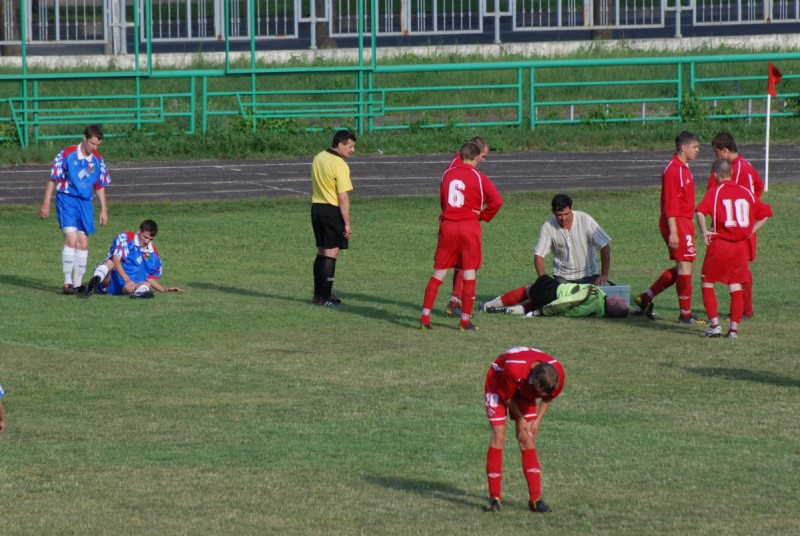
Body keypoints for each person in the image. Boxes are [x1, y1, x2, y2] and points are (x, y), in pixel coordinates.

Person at [418, 141, 503, 331]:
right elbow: (497, 201)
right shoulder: (479, 176)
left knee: (439, 272)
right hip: (468, 226)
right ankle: (464, 321)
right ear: (476, 157)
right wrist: (483, 215)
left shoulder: (447, 173)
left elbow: (443, 199)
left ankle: (425, 318)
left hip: (448, 225)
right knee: (469, 271)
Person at [695, 159, 772, 339]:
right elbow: (766, 213)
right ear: (731, 172)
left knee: (707, 282)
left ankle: (715, 326)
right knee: (735, 285)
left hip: (720, 244)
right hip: (740, 246)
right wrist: (750, 231)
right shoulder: (746, 192)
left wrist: (704, 231)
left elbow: (699, 211)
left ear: (715, 175)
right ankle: (733, 330)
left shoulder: (715, 192)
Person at [483, 346, 565, 514]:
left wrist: (537, 420)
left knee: (527, 437)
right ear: (533, 380)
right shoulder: (514, 368)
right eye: (539, 392)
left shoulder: (557, 374)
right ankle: (494, 498)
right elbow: (506, 395)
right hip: (498, 382)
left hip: (523, 388)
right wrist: (520, 418)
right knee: (499, 436)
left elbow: (549, 396)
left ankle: (535, 499)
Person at [636, 131, 706, 324]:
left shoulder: (684, 168)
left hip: (684, 222)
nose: (698, 150)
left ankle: (645, 298)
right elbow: (669, 205)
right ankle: (685, 314)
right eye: (695, 147)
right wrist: (674, 232)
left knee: (682, 266)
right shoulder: (673, 170)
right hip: (677, 223)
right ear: (683, 147)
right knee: (685, 266)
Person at [39, 124, 111, 295]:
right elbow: (53, 179)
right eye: (92, 143)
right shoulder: (67, 154)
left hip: (85, 203)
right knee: (71, 241)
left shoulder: (97, 159)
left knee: (83, 244)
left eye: (98, 145)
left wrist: (104, 209)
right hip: (67, 200)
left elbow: (99, 185)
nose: (94, 147)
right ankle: (67, 282)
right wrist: (46, 203)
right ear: (84, 138)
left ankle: (78, 284)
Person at [705, 132, 765, 319]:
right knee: (739, 267)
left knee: (740, 269)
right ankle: (743, 309)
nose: (716, 157)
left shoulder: (736, 169)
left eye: (716, 153)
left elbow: (720, 193)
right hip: (743, 223)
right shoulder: (745, 164)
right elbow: (759, 185)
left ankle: (745, 310)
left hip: (737, 227)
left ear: (724, 150)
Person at [444, 137, 490, 318]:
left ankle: (456, 301)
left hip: (456, 222)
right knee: (466, 263)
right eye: (483, 156)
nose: (483, 160)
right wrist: (481, 214)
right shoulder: (459, 167)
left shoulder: (456, 164)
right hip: (460, 224)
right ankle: (456, 302)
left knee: (462, 264)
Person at [310, 130, 356, 307]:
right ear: (340, 145)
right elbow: (342, 197)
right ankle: (326, 296)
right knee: (331, 254)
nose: (352, 150)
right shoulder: (340, 165)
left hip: (317, 208)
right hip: (331, 210)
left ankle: (318, 295)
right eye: (350, 146)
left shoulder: (319, 157)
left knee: (321, 253)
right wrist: (347, 224)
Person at [80, 220, 182, 299]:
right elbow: (116, 260)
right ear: (139, 231)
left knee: (146, 285)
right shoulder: (125, 238)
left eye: (150, 239)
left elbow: (149, 278)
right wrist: (127, 279)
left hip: (127, 288)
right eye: (145, 237)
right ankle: (95, 280)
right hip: (110, 281)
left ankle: (139, 294)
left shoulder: (154, 256)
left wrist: (164, 290)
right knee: (110, 262)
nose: (147, 241)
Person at [478, 274, 641, 319]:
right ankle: (502, 311)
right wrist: (640, 312)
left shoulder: (592, 294)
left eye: (620, 300)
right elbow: (624, 310)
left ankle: (488, 305)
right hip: (551, 298)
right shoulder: (601, 310)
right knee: (533, 303)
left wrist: (540, 312)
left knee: (528, 290)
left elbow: (566, 302)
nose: (622, 299)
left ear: (612, 303)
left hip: (554, 293)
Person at [533, 194, 613, 285]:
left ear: (571, 208)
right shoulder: (548, 226)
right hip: (562, 276)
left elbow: (604, 245)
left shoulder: (585, 220)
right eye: (559, 215)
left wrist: (604, 275)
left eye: (566, 214)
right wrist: (543, 281)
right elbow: (539, 255)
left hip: (589, 274)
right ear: (553, 211)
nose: (563, 218)